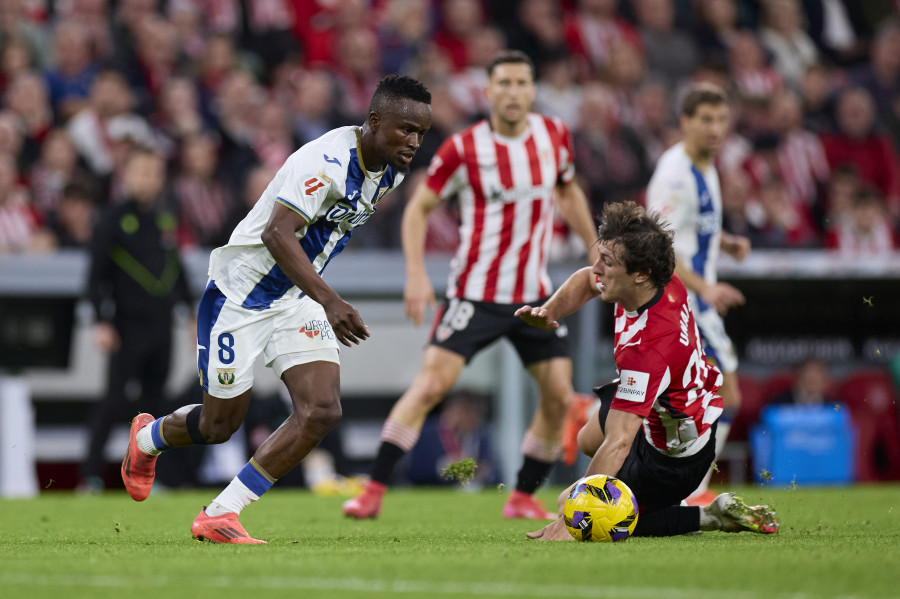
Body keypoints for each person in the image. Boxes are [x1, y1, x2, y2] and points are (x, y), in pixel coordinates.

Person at [120, 74, 433, 543]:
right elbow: (276, 233)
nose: (413, 142)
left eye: (421, 134)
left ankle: (221, 513)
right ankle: (148, 439)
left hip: (295, 298)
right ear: (373, 121)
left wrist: (317, 296)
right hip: (239, 296)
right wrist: (330, 300)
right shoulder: (325, 161)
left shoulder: (392, 170)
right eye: (405, 129)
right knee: (220, 424)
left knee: (322, 410)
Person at [343, 50, 600, 521]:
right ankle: (373, 489)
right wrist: (416, 274)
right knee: (430, 386)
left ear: (532, 90)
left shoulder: (554, 136)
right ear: (488, 91)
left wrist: (593, 246)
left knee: (559, 395)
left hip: (533, 296)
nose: (513, 92)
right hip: (475, 293)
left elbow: (566, 190)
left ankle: (522, 495)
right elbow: (419, 207)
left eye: (522, 83)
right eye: (503, 83)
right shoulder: (464, 148)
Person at [516, 200, 778, 540]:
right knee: (585, 440)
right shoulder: (654, 282)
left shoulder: (648, 349)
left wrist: (570, 520)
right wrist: (549, 311)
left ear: (640, 274)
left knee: (597, 519)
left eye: (607, 262)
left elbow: (621, 441)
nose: (596, 267)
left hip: (674, 459)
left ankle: (709, 516)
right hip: (670, 403)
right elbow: (586, 280)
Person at [644, 82, 751, 506]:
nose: (715, 128)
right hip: (683, 299)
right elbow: (660, 244)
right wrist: (704, 285)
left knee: (689, 399)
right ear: (685, 122)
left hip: (696, 299)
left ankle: (685, 487)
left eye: (722, 120)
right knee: (723, 394)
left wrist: (724, 242)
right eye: (706, 119)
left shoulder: (704, 165)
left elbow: (691, 226)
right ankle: (692, 490)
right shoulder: (674, 175)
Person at [80, 149, 192, 493]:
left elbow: (178, 272)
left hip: (162, 326)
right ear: (126, 175)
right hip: (126, 325)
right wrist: (102, 321)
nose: (149, 179)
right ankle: (90, 476)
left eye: (155, 173)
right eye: (142, 172)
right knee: (113, 400)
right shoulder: (111, 219)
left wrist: (189, 314)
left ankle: (151, 477)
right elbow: (95, 278)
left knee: (156, 403)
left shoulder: (165, 220)